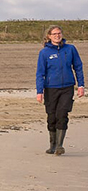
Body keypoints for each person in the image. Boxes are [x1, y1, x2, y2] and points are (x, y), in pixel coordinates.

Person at [36, 25, 84, 155]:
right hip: (51, 89)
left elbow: (78, 67)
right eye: (54, 34)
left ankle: (59, 146)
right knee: (52, 117)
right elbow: (40, 73)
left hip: (67, 87)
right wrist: (39, 91)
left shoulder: (70, 49)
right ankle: (52, 144)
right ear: (49, 36)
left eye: (59, 33)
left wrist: (81, 85)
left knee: (62, 114)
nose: (57, 36)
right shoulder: (44, 53)